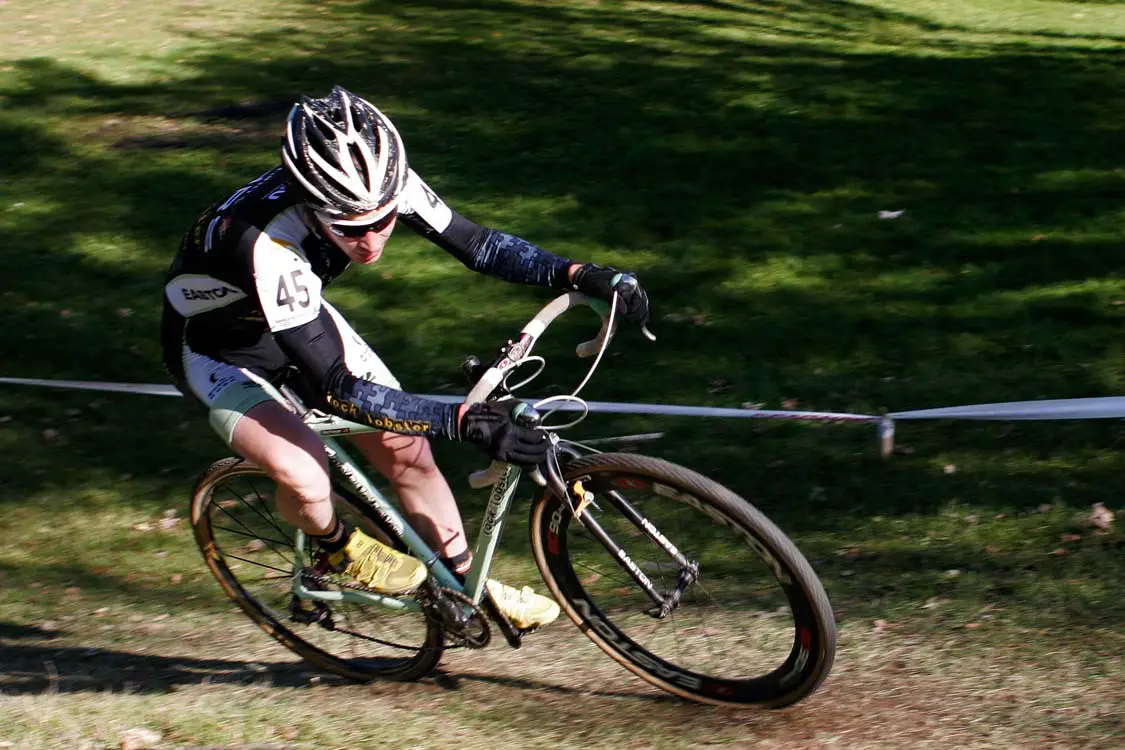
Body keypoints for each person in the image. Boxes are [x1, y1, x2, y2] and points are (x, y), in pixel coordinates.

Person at [160, 85, 651, 630]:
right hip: (218, 351)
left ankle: (467, 587)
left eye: (384, 220)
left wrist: (578, 273)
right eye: (349, 229)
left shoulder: (377, 184)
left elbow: (478, 244)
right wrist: (460, 420)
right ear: (310, 204)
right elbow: (336, 389)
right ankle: (333, 545)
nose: (370, 240)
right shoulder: (266, 241)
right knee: (305, 474)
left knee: (408, 450)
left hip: (297, 317)